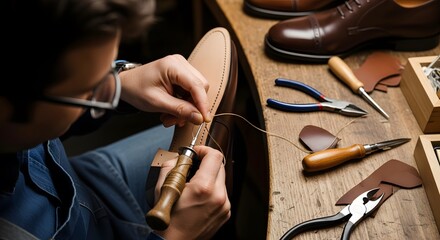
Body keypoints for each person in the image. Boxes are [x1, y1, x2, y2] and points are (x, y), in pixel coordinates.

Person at [1, 0, 231, 239]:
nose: (107, 90)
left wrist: (124, 82)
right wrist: (177, 235)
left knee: (216, 133)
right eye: (90, 90)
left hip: (85, 185)